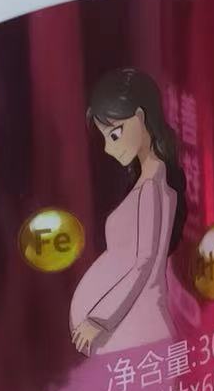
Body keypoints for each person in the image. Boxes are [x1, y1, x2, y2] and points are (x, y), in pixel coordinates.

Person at [70, 67, 185, 354]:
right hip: (133, 327)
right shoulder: (147, 182)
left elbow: (144, 263)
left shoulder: (152, 186)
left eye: (115, 134)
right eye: (104, 138)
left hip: (140, 327)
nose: (108, 148)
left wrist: (99, 319)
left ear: (141, 117)